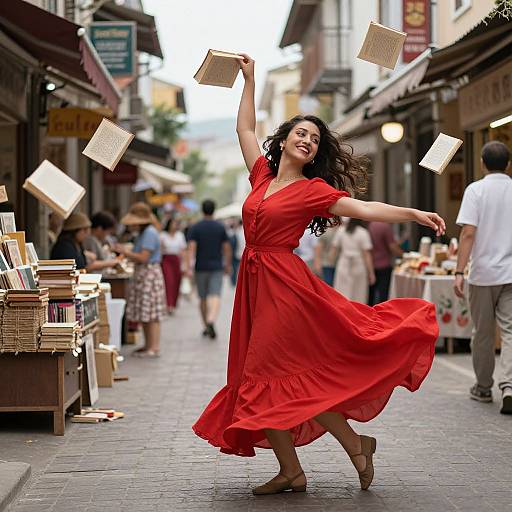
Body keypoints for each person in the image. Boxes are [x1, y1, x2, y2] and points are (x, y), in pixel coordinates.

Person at [192, 54, 445, 496]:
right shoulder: (260, 176)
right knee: (269, 379)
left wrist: (413, 213)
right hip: (254, 285)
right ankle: (315, 461)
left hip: (286, 288)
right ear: (285, 139)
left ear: (316, 151)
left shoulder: (315, 191)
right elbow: (245, 129)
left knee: (268, 378)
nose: (307, 140)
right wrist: (248, 80)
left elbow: (364, 209)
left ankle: (330, 454)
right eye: (300, 133)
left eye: (314, 138)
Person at [453, 140, 512, 415]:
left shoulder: (475, 190)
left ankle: (484, 386)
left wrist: (458, 270)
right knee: (511, 331)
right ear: (508, 164)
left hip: (482, 275)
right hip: (511, 274)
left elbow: (468, 233)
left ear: (482, 163)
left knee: (483, 333)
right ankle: (509, 386)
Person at [116, 202, 166, 358]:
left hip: (149, 274)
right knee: (145, 312)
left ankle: (154, 347)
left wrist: (124, 251)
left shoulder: (150, 233)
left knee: (152, 313)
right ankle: (148, 345)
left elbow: (144, 257)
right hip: (143, 274)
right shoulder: (144, 234)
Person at [184, 199, 232, 339]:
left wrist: (188, 267)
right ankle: (211, 320)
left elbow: (191, 248)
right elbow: (227, 248)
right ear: (214, 210)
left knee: (203, 297)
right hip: (216, 266)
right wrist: (227, 265)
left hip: (201, 267)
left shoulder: (196, 227)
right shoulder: (220, 227)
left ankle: (206, 325)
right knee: (215, 294)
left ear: (202, 210)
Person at [331, 218, 375, 303]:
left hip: (343, 263)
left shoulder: (341, 230)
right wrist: (371, 273)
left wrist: (331, 261)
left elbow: (334, 249)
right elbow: (366, 254)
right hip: (359, 264)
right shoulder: (363, 232)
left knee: (342, 291)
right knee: (359, 292)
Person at [368, 221, 403, 305]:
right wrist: (404, 255)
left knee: (370, 296)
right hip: (384, 265)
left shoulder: (370, 225)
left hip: (371, 264)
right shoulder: (385, 227)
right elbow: (392, 247)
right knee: (383, 295)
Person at [160, 217, 187, 314]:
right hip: (166, 259)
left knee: (176, 282)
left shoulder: (180, 235)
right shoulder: (163, 235)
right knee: (168, 281)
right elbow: (159, 249)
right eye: (173, 223)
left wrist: (184, 264)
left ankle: (173, 304)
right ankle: (168, 304)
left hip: (176, 260)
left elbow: (183, 250)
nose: (175, 225)